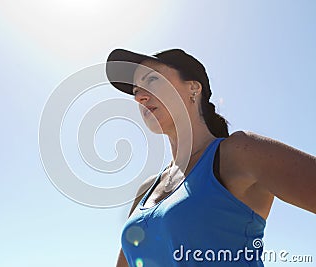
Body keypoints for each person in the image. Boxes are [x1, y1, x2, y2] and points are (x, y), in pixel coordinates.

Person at [105, 48, 316, 266]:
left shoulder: (239, 153)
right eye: (136, 90)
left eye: (152, 80)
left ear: (193, 88)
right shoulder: (146, 191)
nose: (139, 96)